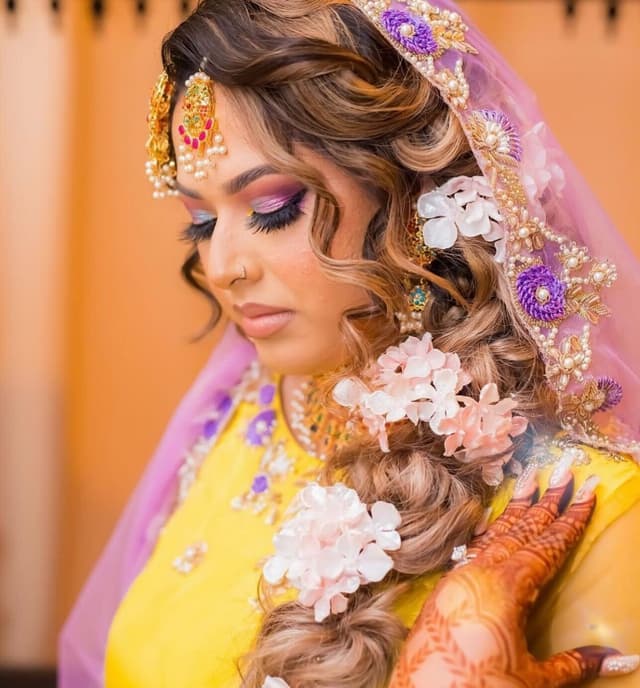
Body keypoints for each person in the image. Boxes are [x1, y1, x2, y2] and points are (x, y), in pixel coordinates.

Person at [59, 1, 640, 686]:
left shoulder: (574, 508)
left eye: (273, 207)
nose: (221, 267)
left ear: (410, 192)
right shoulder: (249, 418)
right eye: (200, 221)